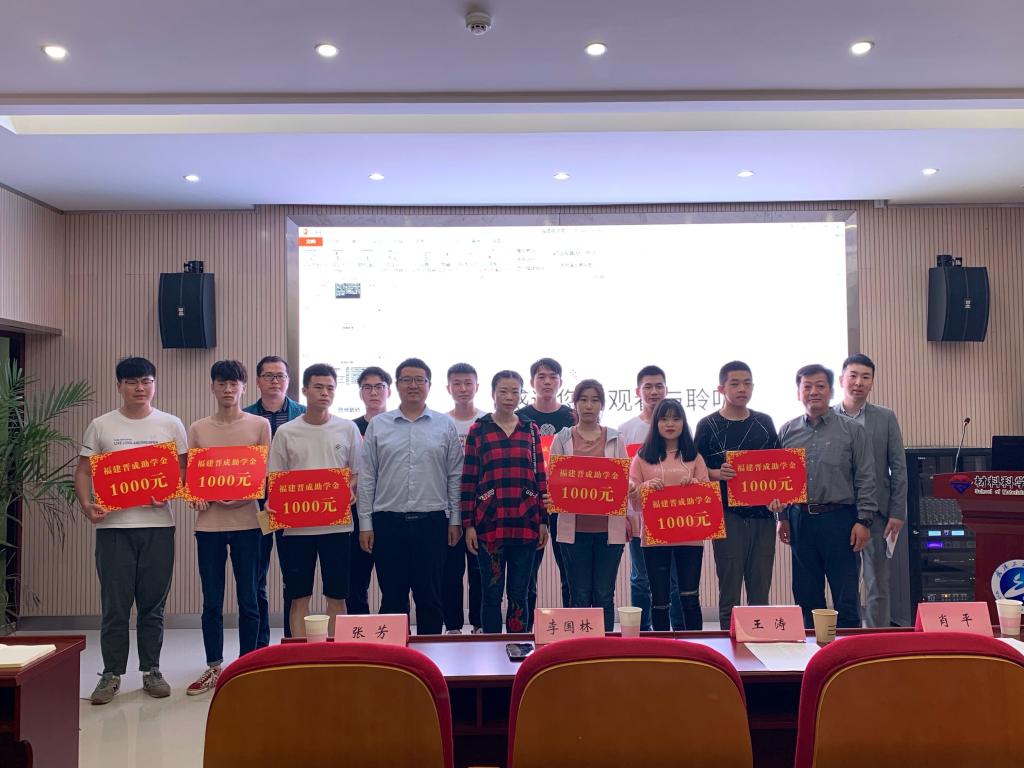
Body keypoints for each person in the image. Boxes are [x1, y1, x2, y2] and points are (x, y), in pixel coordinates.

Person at [74, 356, 187, 705]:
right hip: (114, 529)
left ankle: (152, 670)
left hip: (158, 527)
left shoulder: (171, 424)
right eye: (132, 382)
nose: (140, 388)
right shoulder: (101, 425)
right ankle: (111, 674)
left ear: (154, 384)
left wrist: (171, 492)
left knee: (153, 605)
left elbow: (184, 473)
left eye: (147, 381)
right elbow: (83, 471)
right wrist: (87, 504)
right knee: (115, 606)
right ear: (119, 386)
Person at [358, 358, 463, 635]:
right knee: (392, 598)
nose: (413, 385)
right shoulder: (379, 425)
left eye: (419, 380)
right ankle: (395, 657)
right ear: (397, 385)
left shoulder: (445, 425)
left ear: (429, 385)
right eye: (406, 380)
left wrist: (455, 520)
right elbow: (367, 478)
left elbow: (455, 476)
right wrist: (366, 524)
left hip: (433, 523)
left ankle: (430, 658)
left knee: (430, 597)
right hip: (388, 523)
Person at [186, 360, 270, 695]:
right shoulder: (198, 428)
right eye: (221, 383)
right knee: (211, 600)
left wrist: (246, 494)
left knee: (249, 599)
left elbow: (265, 474)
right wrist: (195, 496)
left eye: (234, 384)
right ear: (212, 387)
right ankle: (213, 666)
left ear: (244, 387)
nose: (228, 389)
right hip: (209, 525)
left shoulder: (260, 425)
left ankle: (246, 666)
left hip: (248, 522)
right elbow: (192, 479)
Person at [775, 364, 878, 629]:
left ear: (831, 391)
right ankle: (812, 649)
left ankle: (849, 650)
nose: (813, 392)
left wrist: (864, 521)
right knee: (806, 594)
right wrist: (782, 517)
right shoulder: (787, 431)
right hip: (800, 519)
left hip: (840, 520)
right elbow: (779, 481)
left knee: (845, 593)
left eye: (820, 386)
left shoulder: (852, 430)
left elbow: (866, 477)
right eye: (807, 386)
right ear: (798, 393)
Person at [267, 364, 361, 639]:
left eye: (330, 388)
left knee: (337, 596)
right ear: (305, 390)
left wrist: (350, 488)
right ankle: (300, 653)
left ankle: (337, 653)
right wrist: (273, 502)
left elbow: (357, 472)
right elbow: (276, 478)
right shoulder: (286, 432)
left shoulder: (347, 428)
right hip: (296, 529)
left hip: (337, 526)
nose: (325, 393)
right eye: (318, 387)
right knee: (299, 597)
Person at [694, 361, 781, 630]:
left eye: (747, 383)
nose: (742, 389)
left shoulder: (764, 422)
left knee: (760, 588)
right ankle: (727, 643)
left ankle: (759, 641)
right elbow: (694, 469)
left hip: (763, 516)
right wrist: (715, 473)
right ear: (721, 388)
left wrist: (779, 498)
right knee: (729, 589)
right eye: (735, 383)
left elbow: (778, 467)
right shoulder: (707, 425)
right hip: (726, 516)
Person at [462, 371, 549, 633]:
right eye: (503, 391)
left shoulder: (530, 429)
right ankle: (490, 645)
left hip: (526, 522)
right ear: (492, 394)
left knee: (519, 594)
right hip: (489, 523)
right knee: (491, 593)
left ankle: (518, 646)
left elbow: (540, 476)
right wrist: (469, 525)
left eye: (515, 391)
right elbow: (469, 479)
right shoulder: (479, 429)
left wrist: (543, 520)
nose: (509, 397)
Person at [549, 379, 631, 631]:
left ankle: (603, 648)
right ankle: (581, 647)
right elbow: (554, 481)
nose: (588, 405)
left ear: (602, 405)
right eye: (583, 400)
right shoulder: (562, 438)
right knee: (580, 595)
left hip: (609, 530)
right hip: (574, 531)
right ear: (575, 404)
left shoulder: (615, 438)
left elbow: (624, 480)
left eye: (595, 400)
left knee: (604, 594)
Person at [835, 353, 907, 628]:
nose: (858, 382)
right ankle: (850, 636)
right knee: (846, 581)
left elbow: (898, 467)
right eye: (853, 376)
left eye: (865, 377)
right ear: (841, 380)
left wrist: (897, 512)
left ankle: (877, 638)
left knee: (878, 581)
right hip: (841, 511)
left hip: (878, 513)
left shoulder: (885, 417)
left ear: (872, 382)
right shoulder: (829, 418)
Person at [628, 398, 709, 632]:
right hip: (655, 537)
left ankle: (696, 647)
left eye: (676, 418)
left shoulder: (694, 456)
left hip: (690, 537)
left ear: (684, 422)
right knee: (660, 601)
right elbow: (633, 500)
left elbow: (707, 496)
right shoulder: (642, 457)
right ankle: (661, 648)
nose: (670, 424)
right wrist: (644, 488)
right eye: (664, 419)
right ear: (656, 423)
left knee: (690, 597)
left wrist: (695, 485)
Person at [243, 354, 306, 643]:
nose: (275, 381)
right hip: (256, 505)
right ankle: (261, 644)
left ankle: (292, 641)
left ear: (288, 381)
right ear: (258, 381)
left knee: (294, 574)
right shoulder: (244, 417)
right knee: (257, 575)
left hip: (294, 503)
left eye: (280, 375)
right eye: (268, 376)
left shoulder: (304, 415)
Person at [618, 365, 683, 630]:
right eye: (648, 387)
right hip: (639, 519)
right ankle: (642, 634)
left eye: (659, 386)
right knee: (641, 579)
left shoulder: (680, 428)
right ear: (638, 391)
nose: (654, 392)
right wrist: (624, 515)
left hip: (675, 520)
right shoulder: (625, 430)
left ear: (667, 390)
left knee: (675, 581)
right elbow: (622, 479)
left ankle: (679, 634)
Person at [517, 357, 575, 627]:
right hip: (530, 504)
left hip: (566, 504)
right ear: (532, 382)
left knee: (569, 573)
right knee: (527, 574)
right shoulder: (520, 418)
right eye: (541, 377)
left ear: (561, 382)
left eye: (553, 376)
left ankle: (570, 631)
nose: (547, 382)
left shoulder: (572, 417)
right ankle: (526, 632)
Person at [443, 363, 485, 634]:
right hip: (447, 507)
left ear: (477, 387)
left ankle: (480, 624)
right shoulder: (440, 422)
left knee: (480, 570)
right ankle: (453, 626)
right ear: (448, 388)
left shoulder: (487, 421)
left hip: (481, 508)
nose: (462, 388)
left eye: (468, 383)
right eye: (457, 383)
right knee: (450, 571)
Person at [348, 366, 392, 615]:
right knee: (356, 579)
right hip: (356, 513)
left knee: (394, 581)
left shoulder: (398, 425)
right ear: (360, 393)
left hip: (390, 510)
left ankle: (394, 631)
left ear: (389, 391)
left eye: (379, 387)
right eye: (367, 387)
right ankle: (360, 630)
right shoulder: (349, 428)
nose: (373, 392)